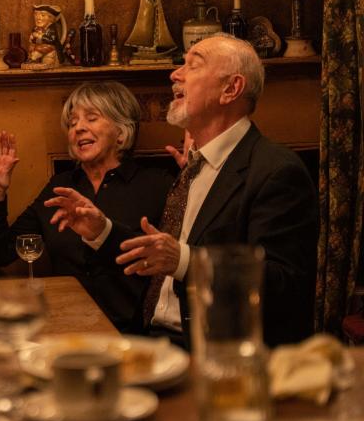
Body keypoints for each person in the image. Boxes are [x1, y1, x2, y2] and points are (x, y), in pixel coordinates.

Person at [47, 34, 317, 347]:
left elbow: (285, 284)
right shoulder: (195, 166)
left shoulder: (276, 170)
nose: (175, 74)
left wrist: (186, 262)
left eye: (193, 65)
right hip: (150, 340)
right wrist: (102, 230)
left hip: (213, 352)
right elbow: (160, 256)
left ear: (231, 89)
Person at [0, 81, 172, 332]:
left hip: (131, 332)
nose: (78, 128)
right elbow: (0, 254)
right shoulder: (60, 187)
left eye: (91, 118)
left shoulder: (157, 185)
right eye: (72, 123)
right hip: (63, 326)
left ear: (122, 132)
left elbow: (167, 264)